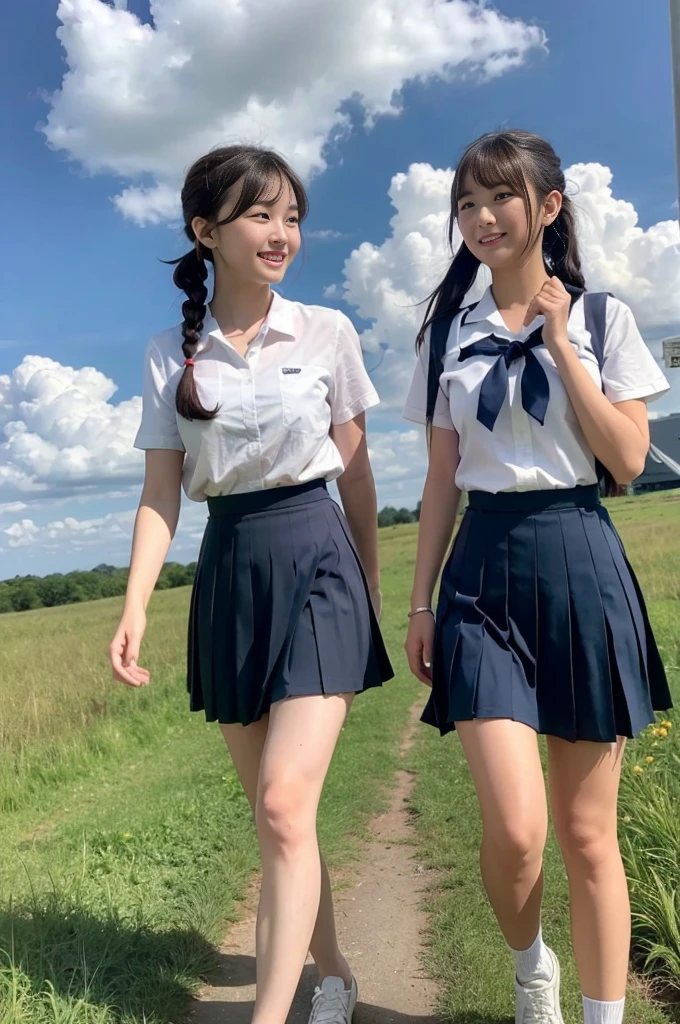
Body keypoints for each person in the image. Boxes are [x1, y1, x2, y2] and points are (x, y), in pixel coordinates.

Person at [110, 144, 393, 1024]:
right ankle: (336, 971)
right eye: (261, 215)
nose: (283, 234)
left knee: (280, 801)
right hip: (230, 570)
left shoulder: (328, 333)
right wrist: (131, 611)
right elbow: (162, 493)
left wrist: (371, 583)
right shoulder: (171, 354)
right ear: (207, 231)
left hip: (318, 560)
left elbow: (355, 470)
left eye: (292, 217)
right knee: (282, 822)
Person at [403, 129, 672, 1024]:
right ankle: (531, 971)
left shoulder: (604, 320)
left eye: (500, 198)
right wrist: (421, 599)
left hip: (580, 557)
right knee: (517, 832)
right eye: (467, 204)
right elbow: (441, 480)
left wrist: (559, 342)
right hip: (482, 572)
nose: (481, 217)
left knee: (590, 834)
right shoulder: (447, 332)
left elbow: (629, 459)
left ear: (547, 207)